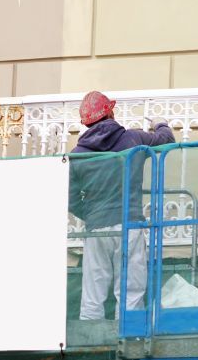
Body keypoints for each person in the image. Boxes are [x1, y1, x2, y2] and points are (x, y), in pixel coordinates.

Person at [69, 90, 174, 320]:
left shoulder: (77, 155)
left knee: (92, 292)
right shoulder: (133, 139)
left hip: (96, 228)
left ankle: (90, 338)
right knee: (130, 290)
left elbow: (70, 197)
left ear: (86, 122)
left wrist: (91, 214)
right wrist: (161, 124)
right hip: (130, 225)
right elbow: (166, 142)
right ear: (111, 112)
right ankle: (128, 338)